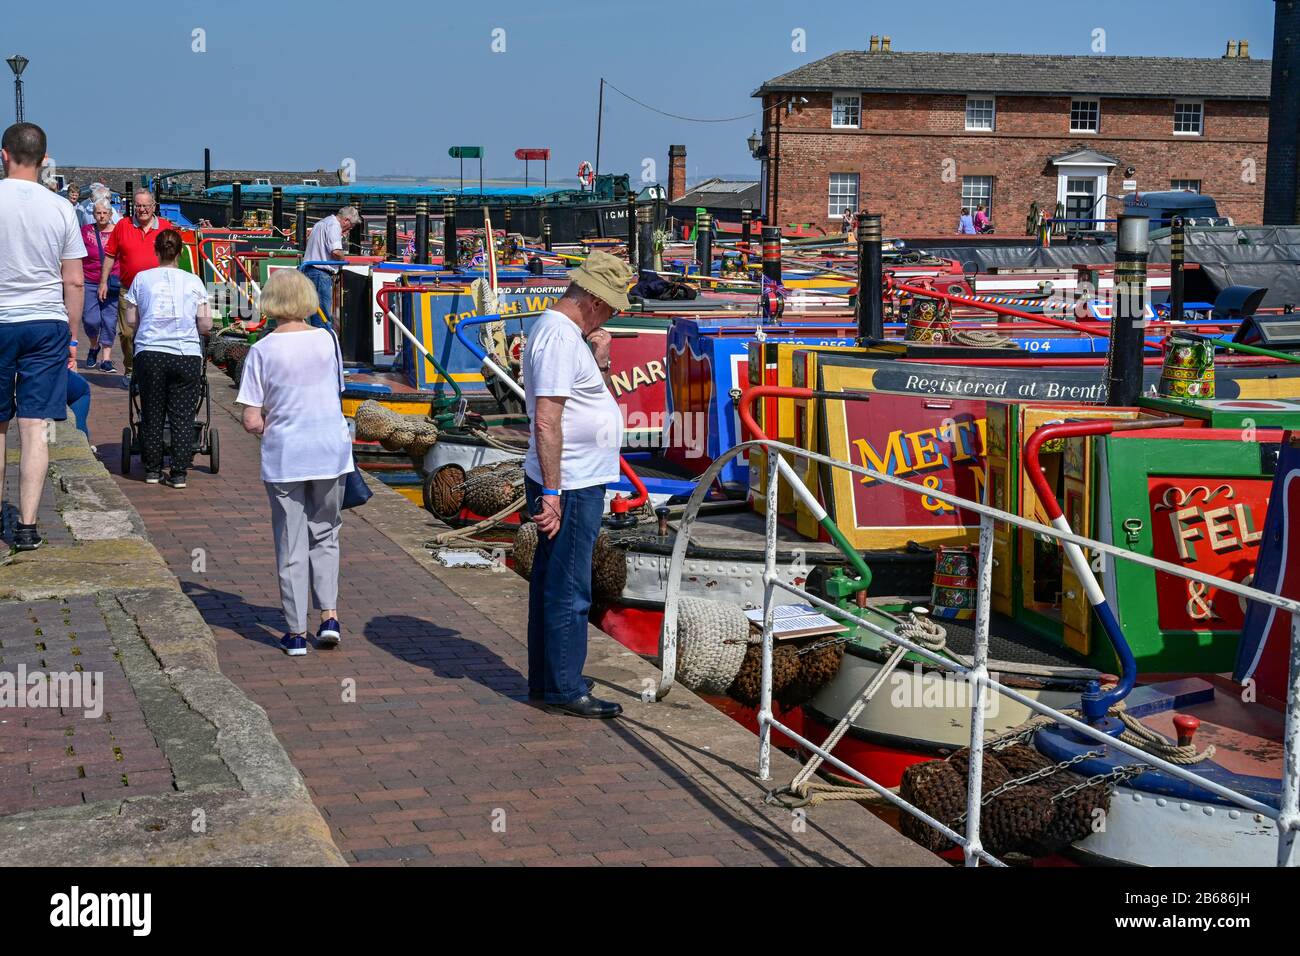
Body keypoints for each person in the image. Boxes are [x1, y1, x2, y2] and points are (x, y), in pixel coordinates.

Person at [522, 250, 633, 718]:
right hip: (569, 482)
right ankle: (564, 689)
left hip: (574, 478)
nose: (609, 314)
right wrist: (552, 491)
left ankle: (553, 679)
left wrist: (602, 362)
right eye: (609, 306)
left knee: (555, 579)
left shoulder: (570, 338)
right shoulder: (558, 338)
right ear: (590, 298)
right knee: (569, 585)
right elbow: (547, 421)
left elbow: (590, 403)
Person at [236, 269, 353, 657]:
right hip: (330, 452)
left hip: (287, 456)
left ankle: (296, 633)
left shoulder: (262, 350)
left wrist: (271, 420)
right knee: (326, 532)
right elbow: (335, 392)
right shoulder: (327, 340)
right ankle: (330, 617)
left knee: (291, 541)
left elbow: (252, 419)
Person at [0, 123, 86, 551]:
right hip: (45, 323)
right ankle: (28, 525)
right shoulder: (61, 209)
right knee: (35, 426)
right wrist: (71, 339)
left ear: (4, 155)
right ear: (44, 158)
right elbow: (74, 282)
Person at [121, 229, 211, 488]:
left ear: (156, 252)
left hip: (151, 352)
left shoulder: (141, 279)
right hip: (185, 353)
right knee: (182, 415)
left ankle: (152, 469)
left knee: (152, 412)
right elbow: (204, 324)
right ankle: (179, 472)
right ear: (180, 253)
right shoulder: (194, 282)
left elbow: (130, 320)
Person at [99, 187, 174, 384]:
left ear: (154, 206)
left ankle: (153, 371)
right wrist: (103, 281)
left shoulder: (166, 227)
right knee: (127, 333)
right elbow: (110, 255)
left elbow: (174, 258)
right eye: (138, 206)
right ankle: (131, 369)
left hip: (157, 291)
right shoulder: (123, 226)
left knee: (155, 331)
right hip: (128, 289)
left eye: (146, 206)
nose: (142, 210)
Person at [300, 205, 362, 327]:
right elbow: (336, 251)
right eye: (350, 226)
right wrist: (345, 262)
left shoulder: (322, 223)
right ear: (346, 220)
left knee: (313, 312)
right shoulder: (334, 226)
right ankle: (323, 342)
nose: (348, 230)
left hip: (310, 271)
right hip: (320, 274)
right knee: (322, 315)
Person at [81, 198, 121, 372]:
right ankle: (93, 345)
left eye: (105, 213)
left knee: (109, 320)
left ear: (111, 215)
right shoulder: (85, 231)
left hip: (112, 281)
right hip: (90, 280)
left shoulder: (119, 232)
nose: (102, 216)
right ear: (93, 214)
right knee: (91, 320)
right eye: (98, 213)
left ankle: (106, 358)